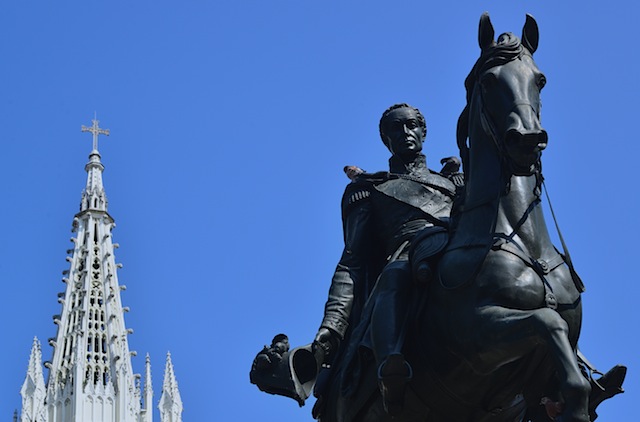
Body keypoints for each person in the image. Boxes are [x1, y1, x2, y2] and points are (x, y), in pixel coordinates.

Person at [313, 103, 459, 416]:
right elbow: (352, 262)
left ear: (423, 131)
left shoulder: (455, 184)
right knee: (394, 276)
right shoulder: (370, 190)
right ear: (385, 139)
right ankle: (391, 363)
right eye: (396, 128)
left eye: (411, 125)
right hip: (405, 259)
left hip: (455, 248)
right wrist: (332, 326)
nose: (405, 133)